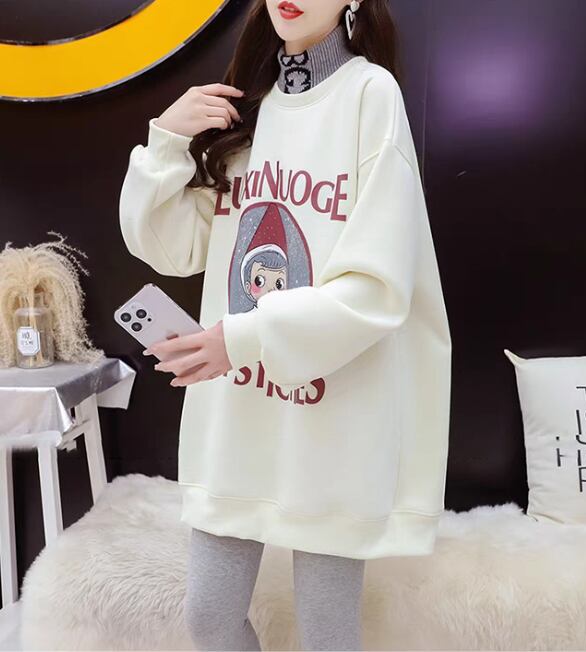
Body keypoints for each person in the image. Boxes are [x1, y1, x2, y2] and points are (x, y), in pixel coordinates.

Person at [118, 0, 452, 649]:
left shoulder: (369, 94)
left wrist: (239, 338)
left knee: (327, 631)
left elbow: (378, 283)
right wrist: (166, 140)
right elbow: (173, 247)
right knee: (209, 618)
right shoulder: (249, 105)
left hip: (333, 417)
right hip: (239, 413)